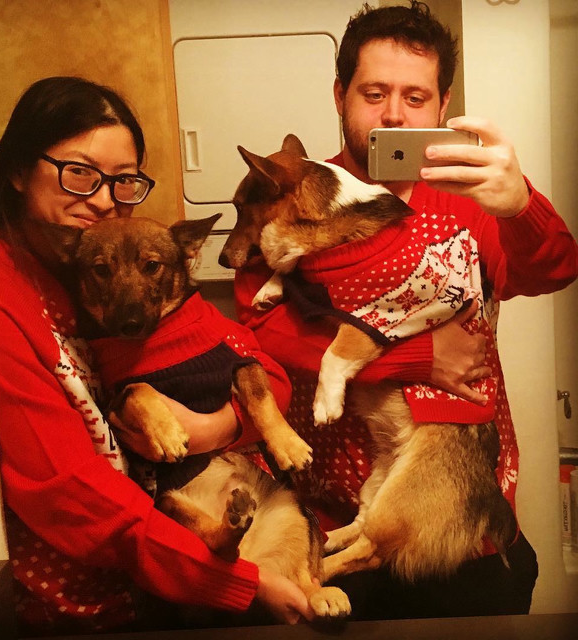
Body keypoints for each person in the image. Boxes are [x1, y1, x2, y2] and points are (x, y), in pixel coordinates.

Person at [234, 2, 578, 620]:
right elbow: (259, 329)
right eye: (374, 92)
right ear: (341, 95)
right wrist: (418, 355)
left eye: (415, 97)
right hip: (333, 529)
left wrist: (520, 204)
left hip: (464, 531)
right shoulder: (293, 194)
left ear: (442, 106)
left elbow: (556, 267)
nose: (393, 113)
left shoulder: (474, 193)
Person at [0, 76, 313, 636]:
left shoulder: (107, 264)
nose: (106, 199)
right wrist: (233, 583)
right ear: (16, 169)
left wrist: (212, 428)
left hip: (172, 572)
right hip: (88, 604)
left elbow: (264, 373)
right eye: (79, 172)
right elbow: (67, 492)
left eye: (123, 180)